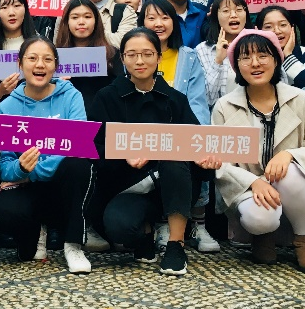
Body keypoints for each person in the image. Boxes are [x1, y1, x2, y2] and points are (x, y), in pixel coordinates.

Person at [87, 28, 221, 276]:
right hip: (129, 187)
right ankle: (147, 232)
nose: (140, 61)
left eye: (147, 54)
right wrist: (122, 155)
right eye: (132, 54)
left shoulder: (175, 99)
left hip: (174, 184)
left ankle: (176, 244)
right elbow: (93, 147)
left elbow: (196, 144)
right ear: (123, 58)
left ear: (159, 57)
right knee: (119, 226)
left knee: (173, 154)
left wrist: (206, 160)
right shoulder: (106, 97)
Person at [212, 30, 305, 273]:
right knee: (260, 219)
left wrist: (290, 155)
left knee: (290, 172)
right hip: (249, 188)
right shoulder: (224, 106)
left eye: (263, 55)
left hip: (295, 185)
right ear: (236, 65)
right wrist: (253, 182)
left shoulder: (300, 99)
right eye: (246, 58)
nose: (255, 63)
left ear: (276, 60)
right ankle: (263, 236)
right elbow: (221, 162)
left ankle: (304, 240)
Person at [0, 37, 95, 273]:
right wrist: (20, 169)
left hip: (61, 185)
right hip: (27, 189)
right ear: (20, 64)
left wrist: (33, 172)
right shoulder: (6, 107)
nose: (40, 65)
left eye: (48, 59)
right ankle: (36, 232)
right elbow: (3, 166)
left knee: (78, 164)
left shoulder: (71, 97)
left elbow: (78, 144)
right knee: (5, 211)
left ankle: (73, 244)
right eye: (32, 58)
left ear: (56, 65)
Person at [137, 0, 218, 253]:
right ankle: (162, 223)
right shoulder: (135, 56)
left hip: (182, 132)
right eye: (151, 18)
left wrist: (198, 138)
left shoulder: (188, 57)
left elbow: (197, 102)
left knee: (196, 157)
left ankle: (198, 223)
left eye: (165, 17)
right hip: (146, 136)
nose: (158, 23)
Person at [54, 0, 117, 107]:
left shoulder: (112, 54)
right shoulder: (54, 57)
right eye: (75, 17)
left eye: (87, 17)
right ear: (66, 21)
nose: (81, 22)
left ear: (96, 20)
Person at [195, 0, 249, 108]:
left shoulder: (259, 45)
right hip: (221, 115)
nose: (233, 15)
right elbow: (206, 100)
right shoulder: (203, 50)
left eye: (239, 10)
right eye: (226, 11)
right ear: (216, 16)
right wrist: (218, 61)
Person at [256, 5, 305, 89]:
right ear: (258, 31)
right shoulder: (255, 58)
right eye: (268, 27)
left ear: (292, 28)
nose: (277, 31)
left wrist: (288, 56)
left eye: (283, 25)